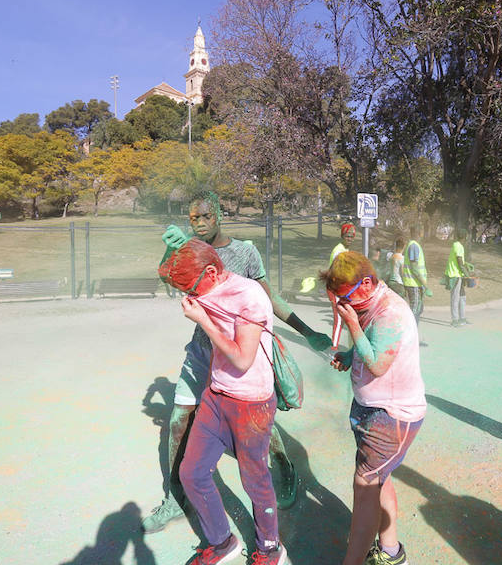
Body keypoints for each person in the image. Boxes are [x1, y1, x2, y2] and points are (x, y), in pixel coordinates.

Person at [143, 191, 331, 534]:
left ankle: (284, 466)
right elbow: (168, 275)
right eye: (193, 219)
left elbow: (267, 298)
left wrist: (307, 331)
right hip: (202, 351)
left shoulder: (244, 252)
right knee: (177, 422)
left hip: (237, 354)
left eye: (205, 217)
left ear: (219, 215)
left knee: (257, 427)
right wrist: (173, 249)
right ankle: (176, 495)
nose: (198, 224)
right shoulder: (187, 248)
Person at [158, 239, 288, 564]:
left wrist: (202, 321)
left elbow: (243, 359)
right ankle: (222, 542)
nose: (191, 297)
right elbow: (171, 276)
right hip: (216, 396)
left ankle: (270, 548)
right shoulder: (204, 285)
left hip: (251, 403)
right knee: (192, 472)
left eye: (192, 288)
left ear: (213, 272)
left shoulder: (248, 296)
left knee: (254, 479)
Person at [322, 251, 426, 565]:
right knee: (380, 479)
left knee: (365, 486)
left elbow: (379, 364)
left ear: (367, 283)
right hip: (371, 408)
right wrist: (351, 355)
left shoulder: (390, 311)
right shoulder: (367, 302)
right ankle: (391, 552)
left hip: (392, 416)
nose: (342, 307)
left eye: (346, 299)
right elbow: (370, 343)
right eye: (338, 301)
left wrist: (352, 324)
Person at [401, 225, 432, 331]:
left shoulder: (413, 245)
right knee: (414, 311)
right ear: (420, 232)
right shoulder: (414, 246)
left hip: (414, 283)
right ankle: (410, 336)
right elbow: (414, 268)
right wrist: (425, 284)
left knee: (418, 309)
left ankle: (412, 335)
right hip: (413, 284)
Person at [444, 229, 472, 326]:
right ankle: (455, 320)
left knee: (462, 295)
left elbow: (460, 261)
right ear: (465, 237)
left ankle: (462, 318)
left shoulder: (457, 245)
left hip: (458, 274)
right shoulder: (458, 246)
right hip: (454, 275)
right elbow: (460, 263)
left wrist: (466, 264)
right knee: (455, 298)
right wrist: (468, 275)